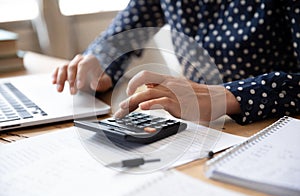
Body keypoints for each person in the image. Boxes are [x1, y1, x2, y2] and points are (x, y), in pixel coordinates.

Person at [52, 0, 300, 125]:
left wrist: (226, 95)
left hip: (273, 129)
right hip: (199, 127)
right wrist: (99, 62)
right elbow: (120, 36)